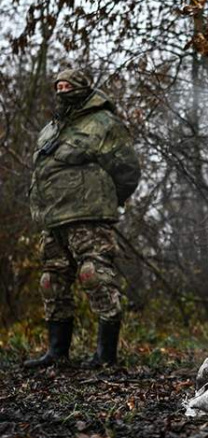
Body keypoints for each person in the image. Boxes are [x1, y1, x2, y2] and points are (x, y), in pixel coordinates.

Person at [25, 68, 141, 368]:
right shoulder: (51, 128)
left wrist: (107, 199)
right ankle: (57, 353)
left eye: (68, 86)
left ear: (82, 87)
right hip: (52, 219)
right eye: (58, 86)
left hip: (89, 215)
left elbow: (127, 169)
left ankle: (105, 355)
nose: (63, 91)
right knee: (51, 281)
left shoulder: (103, 123)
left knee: (95, 276)